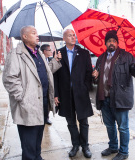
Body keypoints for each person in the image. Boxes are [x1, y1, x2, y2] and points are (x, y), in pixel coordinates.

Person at [3, 25, 62, 160]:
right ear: (24, 36)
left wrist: (56, 60)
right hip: (27, 106)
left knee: (37, 142)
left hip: (42, 104)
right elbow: (9, 79)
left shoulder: (38, 53)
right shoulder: (16, 54)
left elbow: (45, 72)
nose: (37, 36)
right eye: (34, 33)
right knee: (29, 146)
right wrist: (22, 98)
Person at [92, 30, 135, 160]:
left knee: (123, 127)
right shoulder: (101, 58)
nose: (112, 43)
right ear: (105, 43)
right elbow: (97, 78)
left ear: (117, 43)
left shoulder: (127, 56)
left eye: (114, 41)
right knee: (110, 126)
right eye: (109, 41)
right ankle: (113, 146)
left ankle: (124, 151)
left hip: (120, 98)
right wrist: (94, 77)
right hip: (104, 98)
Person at [54, 29, 93, 158]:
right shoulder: (59, 53)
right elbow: (55, 76)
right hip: (66, 95)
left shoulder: (83, 53)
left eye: (74, 35)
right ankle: (75, 145)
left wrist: (86, 86)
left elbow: (88, 72)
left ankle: (85, 145)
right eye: (69, 35)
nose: (73, 37)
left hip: (81, 93)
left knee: (84, 121)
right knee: (71, 122)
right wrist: (56, 94)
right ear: (64, 39)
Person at [40, 44, 54, 125]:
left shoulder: (50, 59)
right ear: (45, 51)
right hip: (42, 85)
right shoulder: (40, 60)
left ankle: (46, 118)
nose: (51, 51)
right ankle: (43, 118)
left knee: (48, 103)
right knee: (43, 103)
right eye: (49, 50)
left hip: (49, 85)